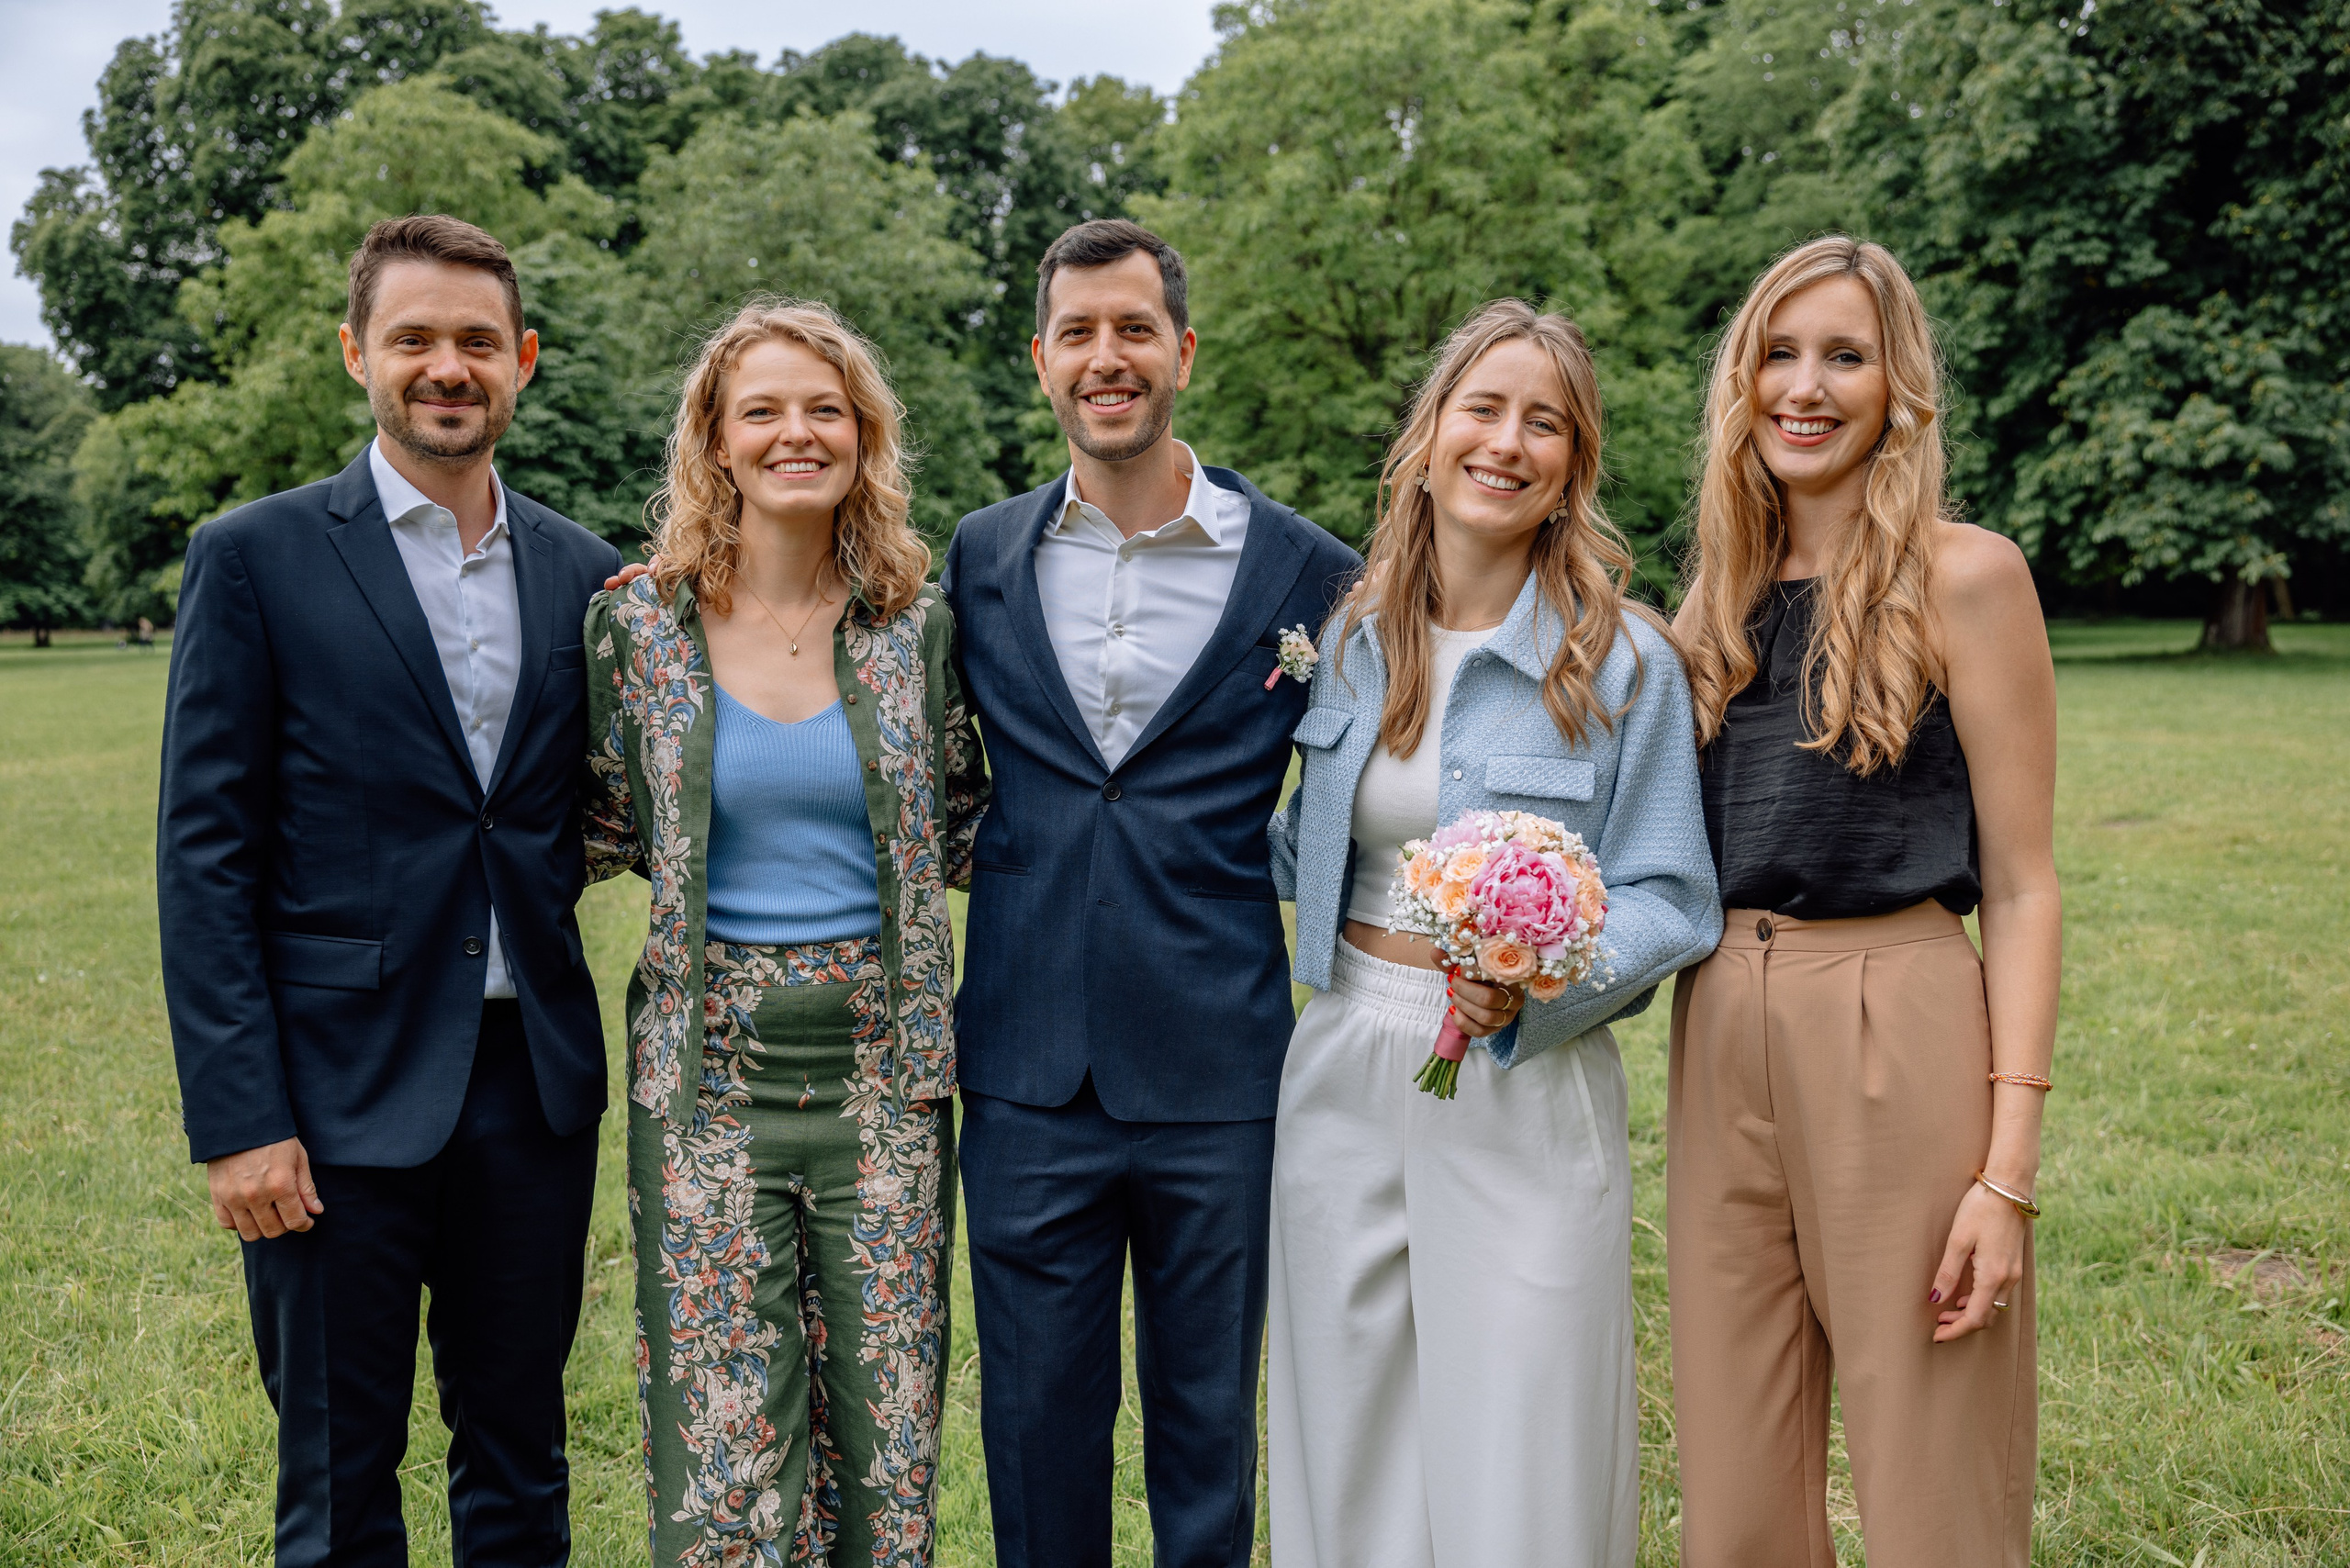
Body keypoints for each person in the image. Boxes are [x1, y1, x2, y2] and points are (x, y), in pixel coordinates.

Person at [157, 214, 622, 1565]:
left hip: (530, 1089)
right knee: (338, 1477)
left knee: (522, 1466)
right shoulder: (255, 557)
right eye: (414, 338)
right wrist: (240, 1120)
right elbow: (205, 854)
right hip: (328, 1095)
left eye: (479, 341)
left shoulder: (589, 577)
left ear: (523, 361)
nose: (447, 366)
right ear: (358, 353)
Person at [1266, 300, 1722, 1567]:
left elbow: (1675, 895)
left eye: (1547, 424)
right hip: (1347, 1055)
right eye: (1483, 408)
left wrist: (1546, 985)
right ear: (1428, 435)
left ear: (1575, 467)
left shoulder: (1623, 661)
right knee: (1346, 1420)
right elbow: (1296, 840)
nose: (1507, 442)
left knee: (1523, 1426)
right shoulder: (1352, 640)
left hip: (1525, 1083)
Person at [937, 218, 1361, 1568]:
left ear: (1181, 349)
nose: (1105, 358)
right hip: (1023, 1065)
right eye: (1077, 334)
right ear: (1042, 361)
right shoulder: (979, 558)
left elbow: (1386, 774)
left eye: (1133, 330)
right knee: (1034, 1429)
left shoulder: (1313, 574)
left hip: (1221, 1068)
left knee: (1206, 1435)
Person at [1668, 235, 2059, 1567]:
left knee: (1932, 1470)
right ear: (1741, 381)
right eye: (1780, 353)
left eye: (1846, 355)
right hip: (1718, 1016)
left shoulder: (1967, 576)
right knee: (1733, 1489)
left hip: (1899, 1010)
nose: (1807, 386)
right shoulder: (1708, 608)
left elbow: (2023, 883)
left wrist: (2006, 1178)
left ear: (1900, 387)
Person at [582, 298, 988, 1566]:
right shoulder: (635, 630)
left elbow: (978, 823)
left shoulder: (920, 632)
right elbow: (595, 822)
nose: (795, 433)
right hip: (707, 1080)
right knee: (724, 1447)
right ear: (715, 437)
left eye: (826, 409)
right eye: (762, 409)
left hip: (890, 1082)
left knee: (887, 1435)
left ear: (864, 437)